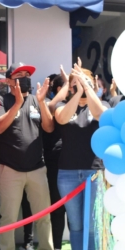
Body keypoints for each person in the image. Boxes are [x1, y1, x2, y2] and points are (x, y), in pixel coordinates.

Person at [0, 62, 54, 250]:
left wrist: (42, 102)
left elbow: (49, 128)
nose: (25, 78)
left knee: (43, 216)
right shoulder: (2, 100)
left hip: (37, 169)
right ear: (10, 81)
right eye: (20, 75)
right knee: (9, 218)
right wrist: (17, 104)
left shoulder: (37, 100)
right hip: (10, 170)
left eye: (27, 74)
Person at [54, 64, 108, 250]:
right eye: (75, 84)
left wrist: (87, 88)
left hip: (93, 173)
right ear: (70, 88)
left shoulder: (102, 105)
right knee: (75, 225)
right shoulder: (63, 106)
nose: (81, 87)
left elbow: (100, 114)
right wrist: (77, 93)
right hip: (67, 174)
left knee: (92, 225)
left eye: (85, 83)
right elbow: (61, 119)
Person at [43, 73, 68, 250]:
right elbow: (52, 106)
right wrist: (68, 81)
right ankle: (57, 246)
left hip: (72, 163)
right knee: (57, 209)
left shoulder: (75, 105)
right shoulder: (50, 104)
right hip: (54, 163)